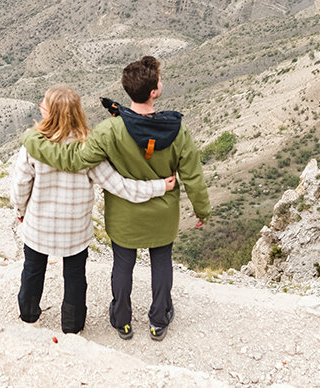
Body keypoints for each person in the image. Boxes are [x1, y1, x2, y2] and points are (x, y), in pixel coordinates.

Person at [20, 57, 209, 341]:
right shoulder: (178, 130)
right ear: (155, 90)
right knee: (161, 264)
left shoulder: (110, 130)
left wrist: (32, 141)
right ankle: (158, 320)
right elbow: (192, 175)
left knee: (121, 265)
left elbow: (73, 159)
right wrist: (201, 209)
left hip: (122, 217)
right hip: (162, 214)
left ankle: (122, 320)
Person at [11, 85, 176, 335]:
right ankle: (73, 326)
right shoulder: (90, 149)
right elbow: (120, 186)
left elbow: (21, 186)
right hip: (75, 230)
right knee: (75, 276)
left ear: (52, 113)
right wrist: (158, 187)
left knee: (33, 269)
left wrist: (20, 210)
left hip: (39, 226)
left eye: (43, 105)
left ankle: (28, 314)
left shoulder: (33, 147)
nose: (40, 108)